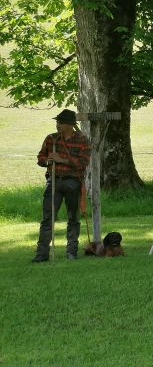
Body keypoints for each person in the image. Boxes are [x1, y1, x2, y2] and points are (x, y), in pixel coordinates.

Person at [32, 109, 91, 262]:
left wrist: (61, 159)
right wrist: (47, 161)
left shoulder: (82, 140)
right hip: (53, 181)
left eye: (61, 122)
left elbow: (83, 163)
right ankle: (41, 254)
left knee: (73, 218)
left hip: (73, 182)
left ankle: (71, 252)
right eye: (57, 122)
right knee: (47, 219)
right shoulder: (51, 139)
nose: (57, 125)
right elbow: (40, 158)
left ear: (70, 125)